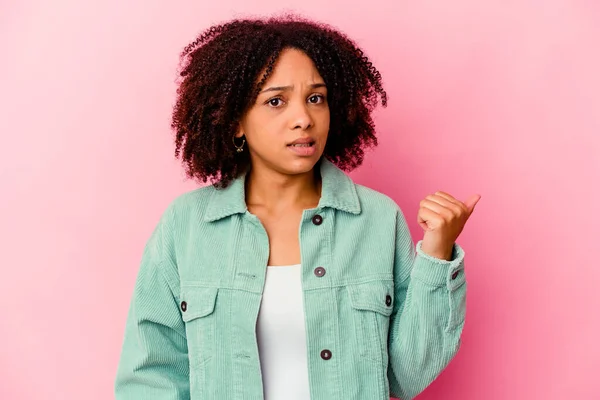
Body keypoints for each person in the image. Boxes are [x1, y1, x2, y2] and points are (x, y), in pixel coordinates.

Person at [114, 12, 480, 400]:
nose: (303, 119)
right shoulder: (186, 226)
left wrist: (438, 252)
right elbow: (150, 378)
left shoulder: (377, 220)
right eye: (276, 101)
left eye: (315, 98)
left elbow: (407, 376)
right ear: (236, 121)